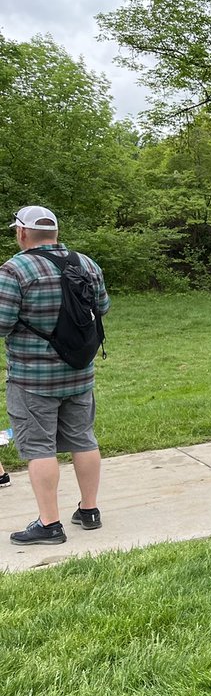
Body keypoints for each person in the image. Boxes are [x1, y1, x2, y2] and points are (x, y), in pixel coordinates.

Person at [2, 206, 109, 546]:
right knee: (83, 438)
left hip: (32, 379)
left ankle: (49, 524)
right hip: (79, 373)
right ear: (56, 233)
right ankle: (89, 510)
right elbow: (102, 307)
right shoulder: (86, 263)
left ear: (22, 233)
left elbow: (2, 323)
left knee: (39, 448)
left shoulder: (14, 270)